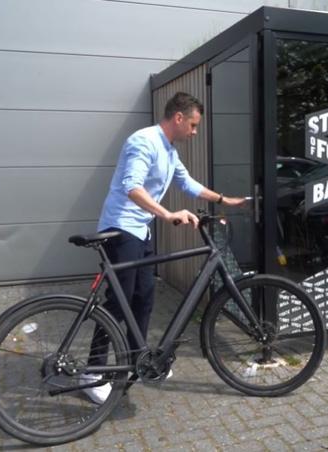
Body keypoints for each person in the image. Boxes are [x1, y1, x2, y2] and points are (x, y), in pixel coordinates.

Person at [81, 92, 246, 403]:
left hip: (139, 231)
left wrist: (224, 200)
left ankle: (136, 360)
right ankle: (91, 371)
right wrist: (168, 214)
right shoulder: (143, 141)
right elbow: (132, 187)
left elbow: (187, 183)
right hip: (119, 230)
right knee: (119, 302)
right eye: (193, 125)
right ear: (179, 118)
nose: (194, 132)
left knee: (144, 297)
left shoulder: (169, 150)